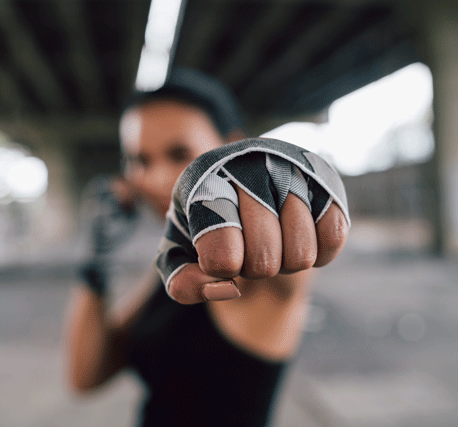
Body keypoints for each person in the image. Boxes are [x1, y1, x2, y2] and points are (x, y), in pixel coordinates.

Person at [64, 69, 349, 426]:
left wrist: (279, 180)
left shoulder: (256, 270)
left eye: (179, 153)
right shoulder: (176, 265)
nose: (155, 179)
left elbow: (292, 261)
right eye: (139, 160)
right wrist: (96, 263)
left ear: (230, 146)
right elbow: (86, 376)